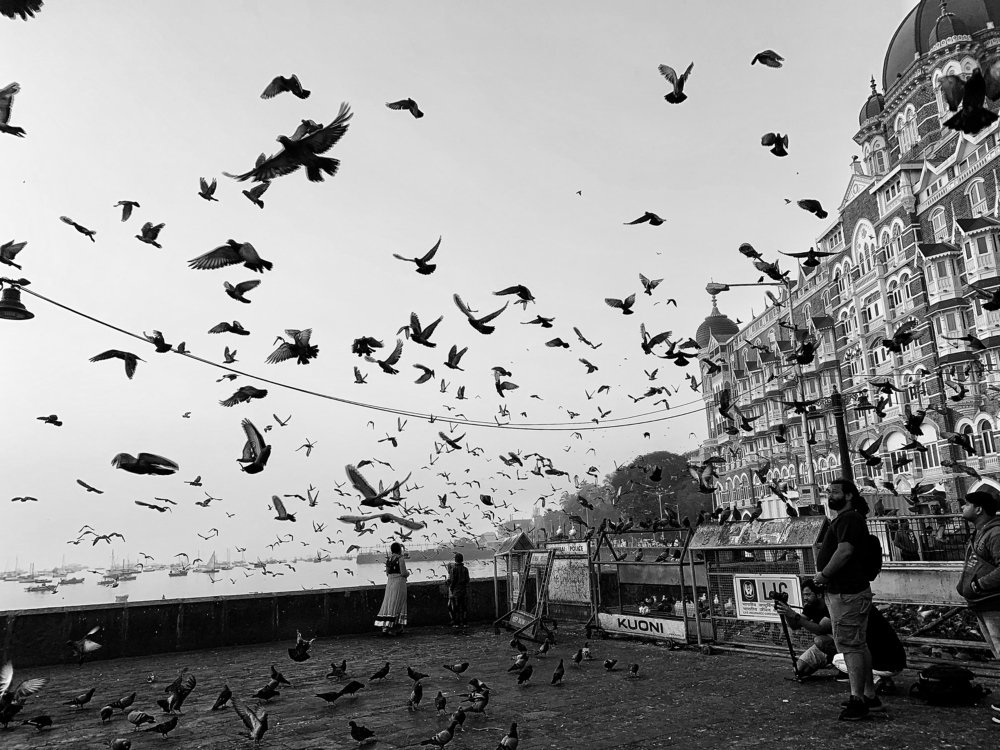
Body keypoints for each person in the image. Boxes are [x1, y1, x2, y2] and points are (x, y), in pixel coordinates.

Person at [814, 478, 877, 721]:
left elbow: (845, 551)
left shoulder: (849, 518)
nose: (830, 494)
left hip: (847, 593)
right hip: (847, 591)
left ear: (849, 495)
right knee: (859, 645)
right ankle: (869, 695)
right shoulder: (845, 519)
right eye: (828, 491)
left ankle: (857, 699)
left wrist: (823, 574)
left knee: (850, 647)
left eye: (835, 491)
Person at [776, 580, 905, 692]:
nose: (805, 598)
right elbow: (795, 625)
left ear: (820, 594)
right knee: (799, 669)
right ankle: (863, 678)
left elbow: (820, 629)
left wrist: (795, 615)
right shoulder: (813, 606)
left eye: (808, 594)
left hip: (880, 657)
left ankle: (873, 681)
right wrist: (786, 611)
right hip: (856, 645)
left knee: (831, 651)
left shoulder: (841, 606)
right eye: (804, 595)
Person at [955, 491, 1000, 725]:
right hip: (983, 602)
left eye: (967, 504)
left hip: (994, 601)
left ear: (979, 509)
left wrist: (978, 584)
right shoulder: (980, 533)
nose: (963, 507)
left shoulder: (995, 533)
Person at [374, 542, 409, 635]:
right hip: (399, 583)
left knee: (389, 603)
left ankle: (386, 627)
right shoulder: (400, 559)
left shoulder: (389, 559)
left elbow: (387, 573)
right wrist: (408, 573)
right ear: (399, 549)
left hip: (390, 583)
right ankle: (395, 628)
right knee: (399, 603)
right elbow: (403, 573)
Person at [447, 552, 470, 631]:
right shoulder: (465, 569)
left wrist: (451, 588)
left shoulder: (453, 569)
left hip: (456, 591)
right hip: (464, 590)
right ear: (462, 560)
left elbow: (453, 581)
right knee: (464, 607)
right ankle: (465, 623)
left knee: (455, 607)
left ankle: (456, 623)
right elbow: (467, 580)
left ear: (455, 560)